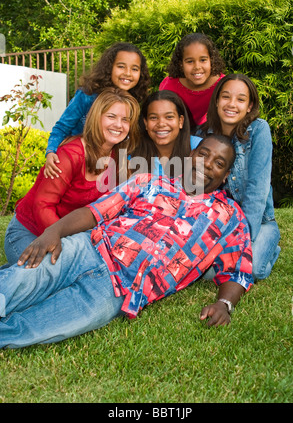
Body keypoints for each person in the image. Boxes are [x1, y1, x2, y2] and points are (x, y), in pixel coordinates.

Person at [0, 135, 253, 349]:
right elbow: (97, 211)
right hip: (90, 248)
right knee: (27, 278)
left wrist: (225, 303)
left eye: (218, 162)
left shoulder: (230, 217)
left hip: (120, 291)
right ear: (191, 155)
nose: (207, 165)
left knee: (52, 324)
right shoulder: (150, 182)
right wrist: (54, 231)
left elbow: (238, 269)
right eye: (203, 154)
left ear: (226, 174)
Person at [4, 87, 140, 267]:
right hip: (30, 231)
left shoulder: (118, 156)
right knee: (47, 275)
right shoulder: (70, 155)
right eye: (111, 116)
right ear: (96, 117)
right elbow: (42, 204)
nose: (118, 125)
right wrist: (58, 239)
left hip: (71, 234)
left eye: (125, 120)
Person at [196, 73, 280, 281]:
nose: (232, 104)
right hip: (222, 223)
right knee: (207, 274)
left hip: (259, 221)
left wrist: (244, 241)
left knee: (253, 270)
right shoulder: (204, 134)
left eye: (240, 99)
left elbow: (257, 190)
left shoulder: (259, 130)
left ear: (249, 106)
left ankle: (271, 244)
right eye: (226, 97)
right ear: (216, 101)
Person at [45, 42, 150, 179]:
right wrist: (51, 151)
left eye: (135, 69)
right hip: (77, 161)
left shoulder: (133, 102)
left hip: (105, 166)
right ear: (109, 68)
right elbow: (62, 126)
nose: (128, 73)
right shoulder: (87, 96)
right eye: (121, 66)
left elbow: (127, 138)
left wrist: (127, 161)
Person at [159, 33, 225, 130]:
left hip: (211, 133)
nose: (197, 67)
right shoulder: (170, 86)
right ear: (181, 64)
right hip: (178, 133)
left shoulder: (222, 85)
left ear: (211, 60)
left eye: (203, 60)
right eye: (190, 61)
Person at [129, 90, 201, 177]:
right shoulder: (132, 151)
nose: (161, 124)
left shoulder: (199, 147)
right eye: (154, 117)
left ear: (180, 121)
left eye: (169, 117)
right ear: (145, 123)